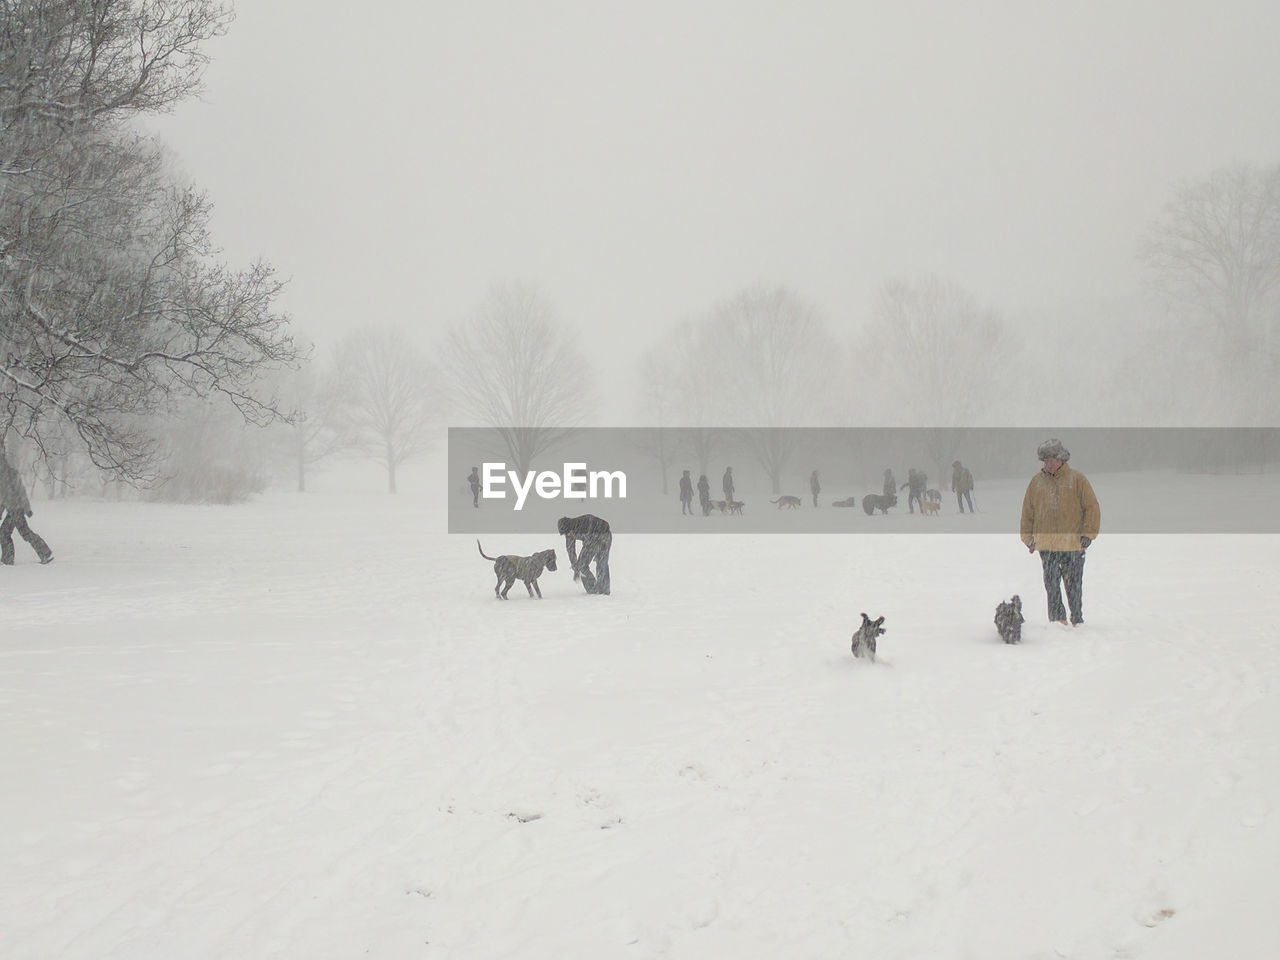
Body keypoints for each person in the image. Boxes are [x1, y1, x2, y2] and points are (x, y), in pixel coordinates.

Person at [1020, 439, 1100, 626]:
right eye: (1046, 460)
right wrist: (1028, 538)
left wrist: (1088, 534)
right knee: (1052, 586)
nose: (1049, 464)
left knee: (1073, 586)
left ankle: (1076, 619)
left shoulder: (1077, 479)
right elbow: (1027, 512)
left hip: (1072, 545)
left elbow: (1092, 507)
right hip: (1047, 547)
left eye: (1052, 459)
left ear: (1062, 459)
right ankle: (1058, 621)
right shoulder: (1036, 483)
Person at [0, 450, 53, 566]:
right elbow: (3, 497)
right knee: (23, 533)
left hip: (16, 510)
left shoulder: (10, 474)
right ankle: (44, 552)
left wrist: (26, 508)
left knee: (4, 533)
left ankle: (7, 559)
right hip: (13, 510)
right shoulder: (4, 476)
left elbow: (20, 492)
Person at [558, 514, 611, 595]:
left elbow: (590, 542)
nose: (568, 535)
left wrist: (589, 553)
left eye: (568, 532)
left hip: (604, 536)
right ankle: (593, 589)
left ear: (570, 527)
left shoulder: (583, 523)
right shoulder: (568, 532)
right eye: (565, 534)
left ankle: (604, 589)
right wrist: (575, 566)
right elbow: (570, 549)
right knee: (581, 565)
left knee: (601, 562)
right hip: (590, 541)